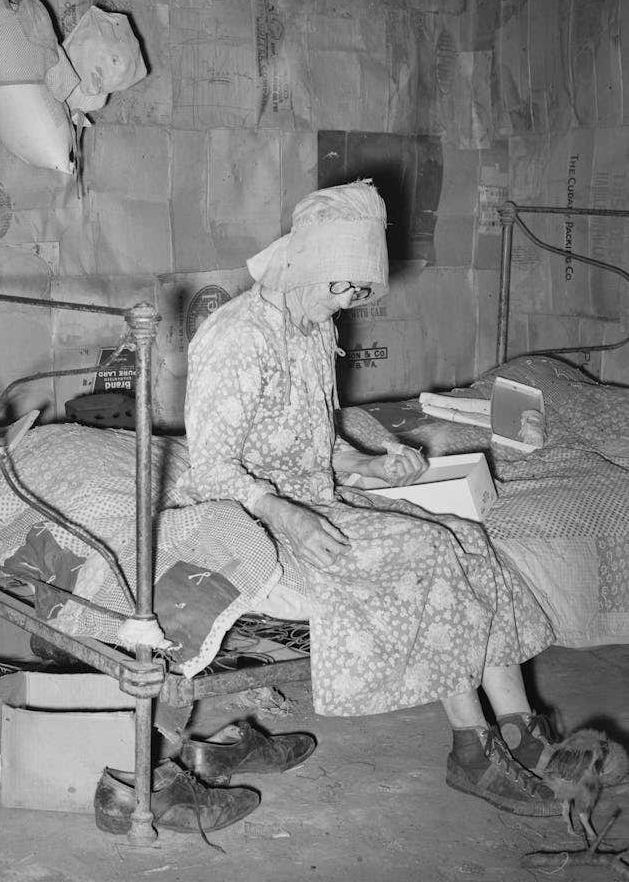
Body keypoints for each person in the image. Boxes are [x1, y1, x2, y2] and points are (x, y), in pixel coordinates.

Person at [171, 179, 563, 818]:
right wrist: (284, 515)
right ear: (306, 264)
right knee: (430, 551)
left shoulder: (311, 325)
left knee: (470, 539)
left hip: (312, 502)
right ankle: (472, 748)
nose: (351, 299)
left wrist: (371, 466)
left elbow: (313, 440)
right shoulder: (236, 337)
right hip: (244, 519)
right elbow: (214, 469)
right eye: (343, 286)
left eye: (359, 289)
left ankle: (521, 728)